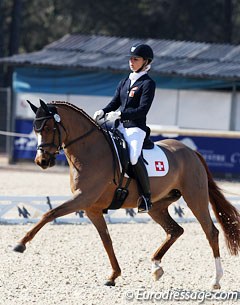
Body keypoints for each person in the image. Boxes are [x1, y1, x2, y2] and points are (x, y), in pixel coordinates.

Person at [93, 44, 156, 213]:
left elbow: (143, 109)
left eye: (136, 59)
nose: (131, 62)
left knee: (134, 157)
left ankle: (146, 197)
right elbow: (114, 103)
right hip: (118, 126)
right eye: (130, 58)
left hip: (135, 128)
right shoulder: (125, 81)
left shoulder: (148, 83)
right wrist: (103, 111)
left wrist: (121, 114)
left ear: (146, 62)